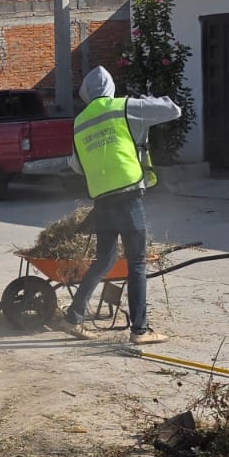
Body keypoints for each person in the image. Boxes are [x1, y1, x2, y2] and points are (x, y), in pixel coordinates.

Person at [62, 66, 182, 345]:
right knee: (137, 262)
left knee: (104, 260)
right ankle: (139, 330)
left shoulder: (80, 122)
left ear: (85, 93)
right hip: (128, 197)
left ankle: (73, 317)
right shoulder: (123, 107)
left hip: (102, 201)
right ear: (111, 88)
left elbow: (76, 165)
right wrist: (142, 99)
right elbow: (173, 109)